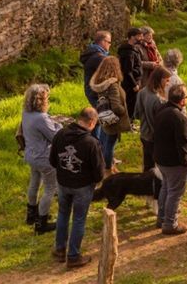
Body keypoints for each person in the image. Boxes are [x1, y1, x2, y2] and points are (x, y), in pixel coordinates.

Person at [49, 107, 105, 268]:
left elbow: (53, 160)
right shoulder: (91, 143)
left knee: (63, 214)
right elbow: (99, 171)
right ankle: (73, 256)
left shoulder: (60, 135)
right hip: (83, 187)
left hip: (63, 183)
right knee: (79, 219)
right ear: (92, 122)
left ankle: (60, 249)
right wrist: (93, 182)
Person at [153, 83, 187, 235]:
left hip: (160, 158)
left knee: (166, 187)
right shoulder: (179, 118)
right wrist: (186, 162)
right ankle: (170, 223)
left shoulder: (161, 109)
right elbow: (183, 142)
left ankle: (162, 218)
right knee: (175, 192)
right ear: (182, 100)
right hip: (174, 162)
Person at [21, 84, 62, 234]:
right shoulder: (42, 118)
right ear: (41, 100)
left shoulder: (26, 113)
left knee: (34, 182)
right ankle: (41, 224)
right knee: (50, 188)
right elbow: (54, 137)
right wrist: (59, 125)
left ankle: (31, 215)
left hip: (31, 154)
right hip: (44, 158)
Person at [89, 57, 131, 170]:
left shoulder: (101, 82)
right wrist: (124, 111)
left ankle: (107, 166)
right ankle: (106, 169)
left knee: (103, 142)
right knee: (110, 146)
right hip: (114, 119)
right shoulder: (112, 85)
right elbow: (116, 106)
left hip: (104, 116)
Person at [137, 66, 171, 173]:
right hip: (154, 137)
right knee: (157, 166)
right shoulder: (159, 100)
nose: (168, 83)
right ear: (160, 79)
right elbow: (161, 123)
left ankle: (145, 183)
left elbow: (137, 113)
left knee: (147, 164)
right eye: (167, 80)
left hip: (144, 133)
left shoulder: (142, 91)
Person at [118, 28, 145, 120]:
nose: (141, 38)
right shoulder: (128, 52)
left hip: (135, 81)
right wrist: (134, 84)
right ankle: (129, 123)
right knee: (130, 103)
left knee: (133, 103)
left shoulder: (133, 49)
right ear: (132, 37)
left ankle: (131, 121)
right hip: (130, 84)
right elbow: (127, 71)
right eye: (139, 36)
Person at [80, 30, 111, 108]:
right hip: (96, 91)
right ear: (103, 42)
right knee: (104, 114)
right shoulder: (99, 57)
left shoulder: (92, 52)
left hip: (91, 89)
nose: (110, 45)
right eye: (109, 42)